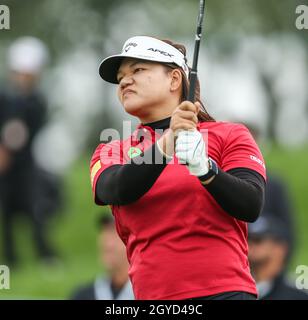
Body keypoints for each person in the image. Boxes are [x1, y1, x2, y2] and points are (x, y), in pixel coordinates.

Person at [90, 36, 267, 300]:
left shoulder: (230, 135)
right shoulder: (112, 149)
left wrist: (206, 169)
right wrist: (167, 142)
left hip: (226, 293)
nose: (125, 81)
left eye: (137, 70)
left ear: (174, 79)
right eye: (121, 76)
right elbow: (115, 189)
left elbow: (251, 204)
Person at [0, 37, 58, 266]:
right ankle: (10, 260)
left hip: (26, 165)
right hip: (7, 169)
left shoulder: (36, 102)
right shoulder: (6, 98)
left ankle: (45, 255)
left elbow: (23, 133)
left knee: (36, 210)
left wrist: (7, 148)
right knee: (5, 213)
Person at [70, 214, 134, 300]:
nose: (107, 243)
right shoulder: (84, 295)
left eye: (115, 234)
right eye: (105, 232)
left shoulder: (149, 294)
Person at [248, 215, 308, 300]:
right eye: (247, 238)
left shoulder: (298, 296)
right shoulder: (233, 290)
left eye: (257, 240)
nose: (249, 244)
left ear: (279, 249)